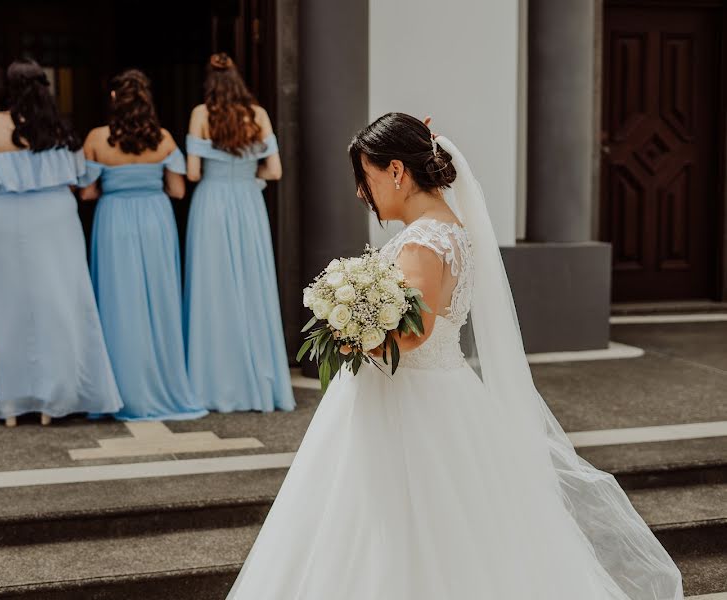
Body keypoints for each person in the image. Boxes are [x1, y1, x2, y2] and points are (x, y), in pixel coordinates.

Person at [226, 113, 683, 599]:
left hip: (411, 402)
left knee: (398, 523)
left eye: (367, 176)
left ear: (397, 171)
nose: (363, 192)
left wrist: (352, 333)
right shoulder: (447, 228)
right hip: (439, 391)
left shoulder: (425, 238)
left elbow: (416, 330)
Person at [0, 59, 122, 427]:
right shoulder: (60, 129)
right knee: (59, 306)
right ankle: (54, 400)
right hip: (52, 218)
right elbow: (79, 182)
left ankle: (10, 402)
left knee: (2, 310)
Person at [80, 69, 206, 421]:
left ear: (115, 100)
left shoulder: (96, 138)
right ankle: (161, 380)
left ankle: (120, 388)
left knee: (118, 299)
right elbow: (178, 190)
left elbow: (87, 192)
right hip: (155, 220)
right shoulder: (163, 139)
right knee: (157, 299)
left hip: (114, 220)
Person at [183, 53, 294, 413]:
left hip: (212, 204)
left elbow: (194, 173)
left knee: (212, 288)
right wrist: (248, 177)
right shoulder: (258, 115)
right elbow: (275, 171)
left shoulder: (201, 114)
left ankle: (214, 385)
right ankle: (258, 383)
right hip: (248, 204)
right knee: (252, 286)